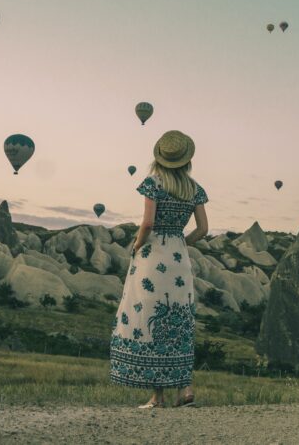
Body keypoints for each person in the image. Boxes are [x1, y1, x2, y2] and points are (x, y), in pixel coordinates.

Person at [109, 129, 210, 408]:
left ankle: (158, 397)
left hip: (153, 258)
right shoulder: (195, 188)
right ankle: (185, 389)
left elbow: (147, 223)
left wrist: (136, 245)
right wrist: (181, 242)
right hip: (178, 259)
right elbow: (203, 229)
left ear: (160, 158)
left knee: (152, 317)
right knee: (179, 319)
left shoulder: (153, 183)